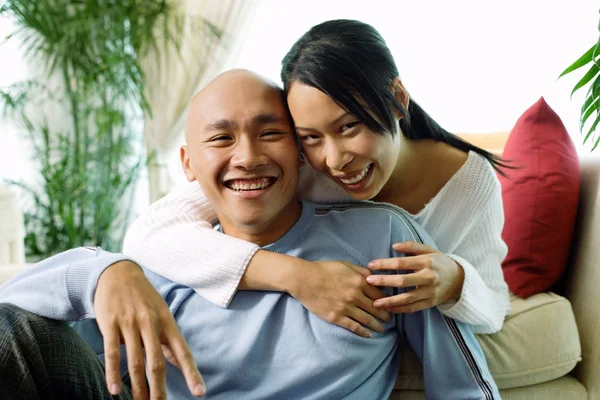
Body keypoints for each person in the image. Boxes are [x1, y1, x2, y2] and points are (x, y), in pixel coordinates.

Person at [0, 70, 500, 399]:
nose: (247, 157)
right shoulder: (167, 256)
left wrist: (454, 277)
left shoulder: (383, 235)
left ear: (301, 151)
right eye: (221, 138)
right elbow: (16, 319)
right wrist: (104, 271)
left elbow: (465, 385)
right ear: (188, 164)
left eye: (270, 133)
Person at [119, 18, 510, 337]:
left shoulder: (469, 183)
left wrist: (456, 280)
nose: (334, 160)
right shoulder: (299, 166)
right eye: (310, 137)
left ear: (397, 101)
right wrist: (296, 276)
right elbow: (149, 233)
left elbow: (494, 303)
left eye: (349, 126)